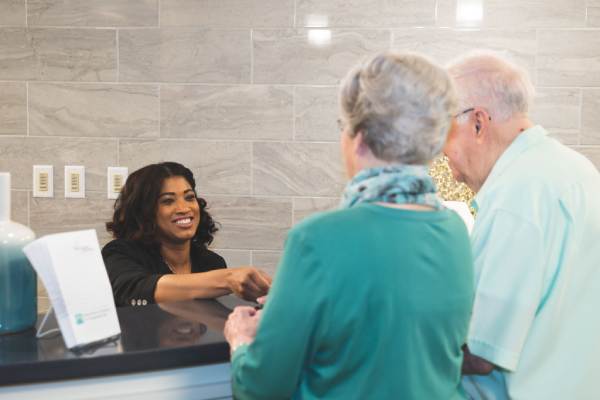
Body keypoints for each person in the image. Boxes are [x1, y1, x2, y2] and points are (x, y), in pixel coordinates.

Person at [224, 52, 474, 399]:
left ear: (357, 139)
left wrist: (241, 340)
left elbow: (261, 387)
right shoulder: (454, 229)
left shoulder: (316, 239)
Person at [444, 52, 600, 399]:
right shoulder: (576, 168)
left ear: (478, 123)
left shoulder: (516, 196)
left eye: (443, 133)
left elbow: (482, 352)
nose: (444, 158)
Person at [102, 162, 271, 307]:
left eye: (190, 198)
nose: (184, 209)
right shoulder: (119, 252)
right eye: (168, 201)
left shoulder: (211, 262)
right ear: (145, 212)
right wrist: (228, 279)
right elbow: (136, 289)